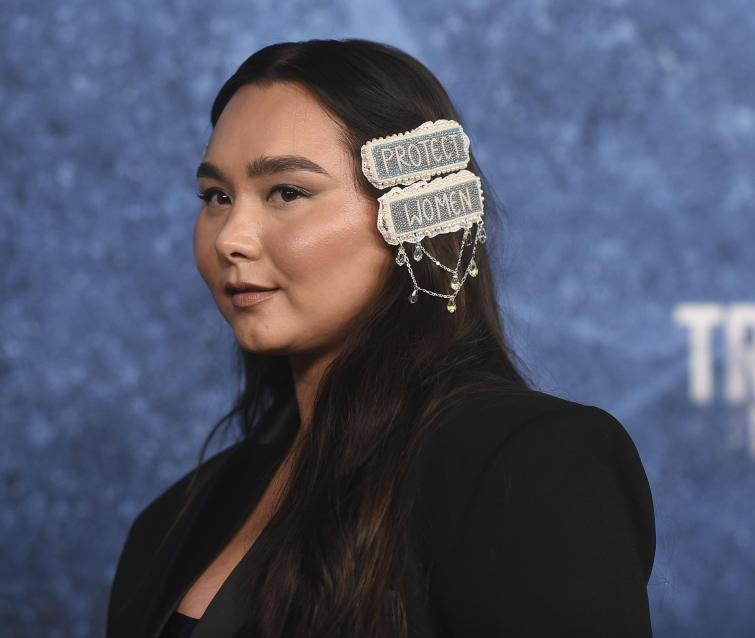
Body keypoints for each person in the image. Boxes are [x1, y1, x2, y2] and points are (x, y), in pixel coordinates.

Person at [106, 38, 656, 638]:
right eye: (216, 197)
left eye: (287, 192)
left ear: (419, 214)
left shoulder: (529, 466)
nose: (230, 238)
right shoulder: (172, 520)